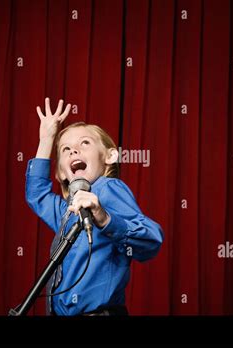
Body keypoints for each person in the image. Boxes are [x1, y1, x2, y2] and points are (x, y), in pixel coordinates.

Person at [25, 98, 164, 316]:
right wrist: (47, 140)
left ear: (109, 156)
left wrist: (103, 217)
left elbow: (151, 240)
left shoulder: (107, 188)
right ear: (60, 173)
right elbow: (37, 194)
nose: (74, 151)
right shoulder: (66, 212)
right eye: (65, 149)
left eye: (85, 143)